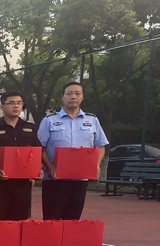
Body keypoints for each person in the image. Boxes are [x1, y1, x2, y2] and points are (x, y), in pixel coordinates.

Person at [37, 82, 109, 220]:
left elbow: (101, 145)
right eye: (69, 93)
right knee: (51, 220)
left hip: (80, 179)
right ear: (63, 97)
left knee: (73, 220)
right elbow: (40, 147)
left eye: (77, 93)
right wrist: (49, 167)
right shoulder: (49, 120)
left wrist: (96, 165)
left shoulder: (92, 120)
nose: (73, 97)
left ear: (82, 97)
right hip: (55, 179)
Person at [0, 91, 44, 220]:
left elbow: (37, 151)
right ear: (2, 107)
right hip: (0, 184)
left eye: (19, 103)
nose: (16, 106)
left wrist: (37, 170)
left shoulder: (31, 128)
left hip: (23, 184)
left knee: (19, 220)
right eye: (11, 103)